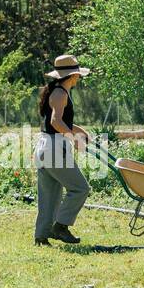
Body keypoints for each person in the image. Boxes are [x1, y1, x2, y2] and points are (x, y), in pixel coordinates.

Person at [34, 54, 91, 246]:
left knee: (49, 194)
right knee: (80, 188)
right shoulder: (60, 94)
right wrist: (72, 138)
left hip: (45, 146)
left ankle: (41, 237)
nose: (78, 78)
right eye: (77, 74)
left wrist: (79, 131)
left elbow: (59, 122)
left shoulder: (57, 91)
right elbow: (55, 122)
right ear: (71, 76)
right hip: (55, 148)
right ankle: (61, 226)